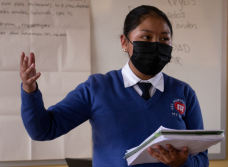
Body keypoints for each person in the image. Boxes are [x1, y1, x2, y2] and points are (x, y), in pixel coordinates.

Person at [20, 5, 209, 167]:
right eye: (146, 37)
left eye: (164, 39)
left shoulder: (183, 92)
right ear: (124, 42)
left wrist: (183, 163)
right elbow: (43, 130)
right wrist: (30, 91)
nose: (156, 45)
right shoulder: (96, 88)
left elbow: (202, 160)